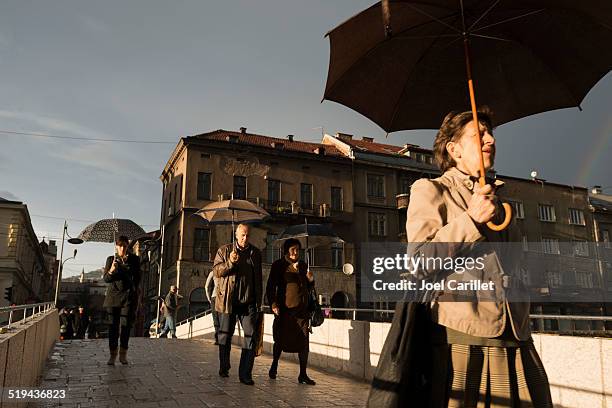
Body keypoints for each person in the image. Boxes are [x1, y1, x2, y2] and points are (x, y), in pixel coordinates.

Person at [405, 109, 552, 406]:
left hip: (516, 337)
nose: (491, 139)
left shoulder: (498, 201)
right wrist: (470, 221)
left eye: (490, 133)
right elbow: (418, 262)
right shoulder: (431, 190)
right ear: (454, 149)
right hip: (465, 339)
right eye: (479, 134)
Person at [212, 224, 263, 385]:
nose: (245, 238)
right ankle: (224, 366)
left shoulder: (255, 253)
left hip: (248, 304)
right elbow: (216, 271)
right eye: (242, 235)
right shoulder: (224, 251)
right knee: (225, 335)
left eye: (247, 235)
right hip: (229, 302)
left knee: (251, 337)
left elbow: (258, 280)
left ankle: (245, 374)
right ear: (236, 235)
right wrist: (230, 262)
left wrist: (259, 302)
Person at [266, 238, 316, 385]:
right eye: (293, 249)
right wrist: (273, 304)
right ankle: (274, 366)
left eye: (297, 249)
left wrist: (311, 280)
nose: (295, 252)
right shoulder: (278, 265)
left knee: (304, 343)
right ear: (286, 250)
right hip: (285, 311)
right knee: (280, 340)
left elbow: (309, 289)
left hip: (302, 311)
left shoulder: (303, 266)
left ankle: (303, 374)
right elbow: (270, 287)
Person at [103, 235, 141, 366]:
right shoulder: (111, 259)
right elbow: (106, 279)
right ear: (116, 247)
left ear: (127, 246)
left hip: (128, 297)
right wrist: (112, 270)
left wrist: (127, 268)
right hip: (113, 297)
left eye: (125, 245)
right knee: (113, 327)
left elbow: (138, 279)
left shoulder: (135, 260)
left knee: (126, 326)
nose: (122, 248)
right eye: (120, 246)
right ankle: (112, 355)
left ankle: (123, 354)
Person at [205, 270, 220, 345]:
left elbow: (206, 286)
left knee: (216, 318)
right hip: (224, 297)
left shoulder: (213, 272)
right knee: (223, 318)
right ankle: (224, 338)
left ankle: (217, 339)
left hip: (214, 297)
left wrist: (209, 298)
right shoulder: (228, 269)